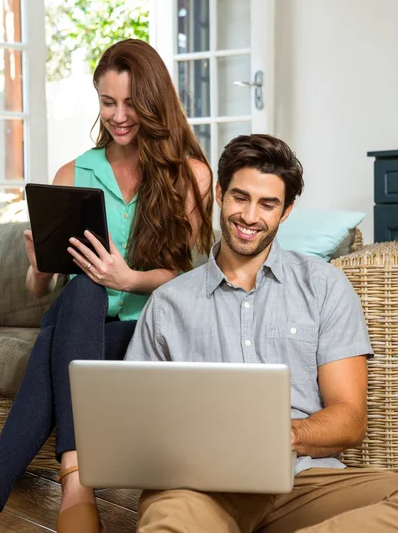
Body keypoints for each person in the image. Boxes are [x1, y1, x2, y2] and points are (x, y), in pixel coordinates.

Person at [125, 134, 398, 533]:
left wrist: (283, 434)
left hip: (305, 480)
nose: (250, 216)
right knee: (170, 521)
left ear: (286, 212)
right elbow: (137, 423)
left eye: (267, 204)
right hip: (201, 487)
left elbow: (350, 419)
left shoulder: (324, 287)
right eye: (240, 197)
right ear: (219, 193)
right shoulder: (168, 304)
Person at [0, 39, 213, 533]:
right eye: (107, 101)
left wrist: (130, 278)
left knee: (60, 336)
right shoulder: (74, 172)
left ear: (155, 100)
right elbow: (39, 290)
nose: (117, 116)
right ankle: (78, 478)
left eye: (131, 102)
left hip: (140, 329)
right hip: (77, 314)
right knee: (83, 291)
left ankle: (59, 481)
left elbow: (188, 281)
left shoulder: (191, 176)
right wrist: (40, 266)